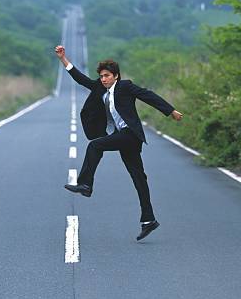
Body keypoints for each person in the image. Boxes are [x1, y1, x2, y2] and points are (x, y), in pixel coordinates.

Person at [54, 45, 183, 241]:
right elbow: (80, 78)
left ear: (115, 75)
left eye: (107, 75)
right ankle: (149, 220)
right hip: (121, 136)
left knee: (95, 145)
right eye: (102, 76)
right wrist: (63, 59)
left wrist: (170, 111)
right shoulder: (100, 88)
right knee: (139, 177)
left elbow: (148, 95)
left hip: (130, 135)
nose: (103, 79)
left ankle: (85, 184)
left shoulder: (125, 86)